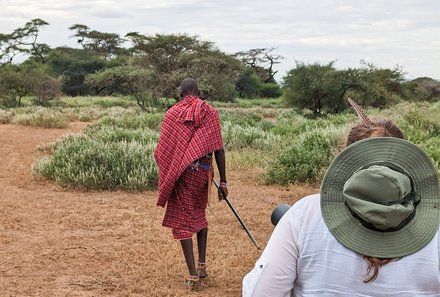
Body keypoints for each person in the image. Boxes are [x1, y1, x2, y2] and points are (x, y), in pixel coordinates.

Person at [242, 100, 440, 297]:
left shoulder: (305, 213)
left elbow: (261, 292)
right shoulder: (436, 226)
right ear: (404, 164)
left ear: (344, 160)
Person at [154, 78, 228, 291]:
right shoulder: (210, 113)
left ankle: (193, 276)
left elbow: (163, 151)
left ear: (180, 94)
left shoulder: (172, 114)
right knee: (199, 214)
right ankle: (202, 265)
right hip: (204, 174)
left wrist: (172, 167)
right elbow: (219, 149)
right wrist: (223, 181)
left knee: (182, 221)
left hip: (183, 175)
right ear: (199, 92)